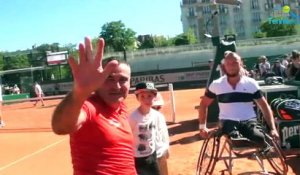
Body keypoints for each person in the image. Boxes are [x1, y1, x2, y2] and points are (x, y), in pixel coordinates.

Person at [51, 37, 137, 175]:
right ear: (99, 80)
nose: (116, 86)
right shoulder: (90, 106)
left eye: (123, 80)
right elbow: (61, 127)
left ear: (130, 83)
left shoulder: (122, 107)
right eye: (109, 78)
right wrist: (80, 92)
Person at [198, 51, 279, 150]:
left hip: (249, 121)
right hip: (227, 121)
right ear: (224, 66)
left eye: (235, 63)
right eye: (228, 63)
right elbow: (203, 104)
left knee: (260, 138)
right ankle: (239, 139)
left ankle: (256, 143)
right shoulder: (216, 84)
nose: (231, 66)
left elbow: (264, 106)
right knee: (234, 137)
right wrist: (202, 127)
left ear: (241, 64)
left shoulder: (251, 83)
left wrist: (273, 129)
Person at [129, 82, 169, 175]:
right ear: (137, 98)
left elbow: (158, 134)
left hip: (152, 156)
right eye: (142, 96)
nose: (146, 99)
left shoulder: (156, 116)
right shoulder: (133, 117)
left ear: (154, 97)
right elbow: (127, 137)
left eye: (149, 96)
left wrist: (165, 149)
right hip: (137, 158)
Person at [152, 92, 170, 175]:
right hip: (146, 158)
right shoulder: (137, 118)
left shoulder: (160, 117)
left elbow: (164, 134)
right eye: (153, 107)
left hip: (160, 154)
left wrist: (167, 149)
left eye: (158, 107)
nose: (156, 109)